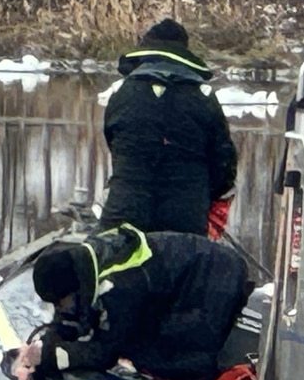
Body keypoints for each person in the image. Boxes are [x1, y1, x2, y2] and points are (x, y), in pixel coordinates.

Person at [10, 223, 254, 380]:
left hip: (213, 279)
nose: (59, 307)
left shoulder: (119, 288)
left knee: (175, 355)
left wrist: (50, 358)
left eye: (60, 300)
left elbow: (106, 351)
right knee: (142, 341)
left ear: (72, 288)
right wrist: (46, 345)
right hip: (182, 275)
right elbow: (72, 317)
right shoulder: (85, 268)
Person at [101, 18, 239, 236]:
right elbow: (224, 164)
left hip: (124, 210)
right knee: (181, 267)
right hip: (185, 216)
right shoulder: (202, 97)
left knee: (119, 267)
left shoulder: (123, 93)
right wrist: (205, 196)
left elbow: (115, 146)